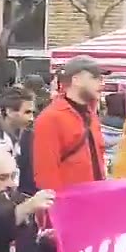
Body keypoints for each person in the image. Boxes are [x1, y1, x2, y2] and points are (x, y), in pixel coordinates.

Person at [33, 56, 109, 191]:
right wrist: (58, 208)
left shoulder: (91, 115)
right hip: (69, 205)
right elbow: (46, 173)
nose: (102, 84)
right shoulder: (51, 118)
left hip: (95, 200)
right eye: (95, 77)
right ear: (76, 80)